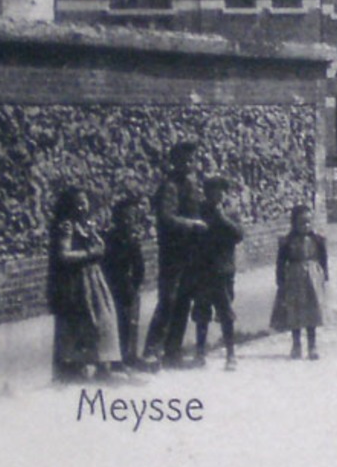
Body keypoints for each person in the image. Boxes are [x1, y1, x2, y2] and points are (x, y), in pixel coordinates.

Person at [143, 141, 209, 368]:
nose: (190, 164)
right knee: (168, 300)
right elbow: (166, 218)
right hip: (173, 252)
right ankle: (152, 350)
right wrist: (193, 225)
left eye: (193, 159)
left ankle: (173, 350)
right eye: (185, 159)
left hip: (191, 252)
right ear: (175, 161)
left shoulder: (192, 184)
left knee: (184, 300)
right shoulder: (170, 187)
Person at [46, 186, 120, 381]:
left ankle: (103, 362)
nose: (81, 207)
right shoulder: (67, 227)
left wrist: (97, 244)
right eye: (77, 203)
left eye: (84, 202)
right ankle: (80, 366)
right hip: (78, 281)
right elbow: (63, 255)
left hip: (94, 279)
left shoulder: (87, 225)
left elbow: (99, 247)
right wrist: (89, 254)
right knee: (85, 322)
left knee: (104, 319)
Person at [190, 176, 243, 370]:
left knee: (226, 312)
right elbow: (192, 238)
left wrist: (221, 217)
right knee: (201, 312)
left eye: (221, 190)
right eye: (213, 190)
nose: (218, 194)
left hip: (223, 270)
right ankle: (200, 352)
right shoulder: (199, 212)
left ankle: (231, 354)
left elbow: (238, 235)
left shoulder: (231, 212)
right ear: (206, 193)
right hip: (203, 269)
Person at [270, 205, 329, 360]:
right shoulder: (287, 241)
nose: (306, 226)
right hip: (294, 277)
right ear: (294, 223)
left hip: (313, 277)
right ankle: (296, 344)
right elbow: (281, 261)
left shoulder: (317, 240)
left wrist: (325, 276)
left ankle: (312, 345)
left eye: (309, 222)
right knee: (295, 311)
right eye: (302, 223)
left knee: (312, 310)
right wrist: (280, 279)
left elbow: (323, 259)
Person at [100, 195, 148, 371]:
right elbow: (106, 265)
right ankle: (117, 361)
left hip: (129, 286)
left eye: (132, 218)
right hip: (115, 285)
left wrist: (135, 285)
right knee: (118, 323)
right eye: (125, 218)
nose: (129, 222)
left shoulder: (133, 239)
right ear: (117, 219)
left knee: (131, 322)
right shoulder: (111, 239)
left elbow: (139, 266)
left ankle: (130, 356)